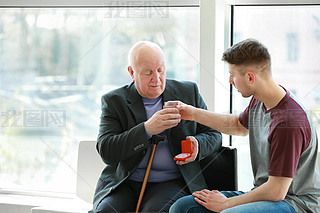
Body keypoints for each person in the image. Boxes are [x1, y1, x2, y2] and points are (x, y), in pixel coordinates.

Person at [169, 38, 320, 213]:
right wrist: (192, 113)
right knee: (183, 207)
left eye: (233, 75)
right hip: (265, 194)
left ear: (250, 77)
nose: (230, 80)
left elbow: (276, 191)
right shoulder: (260, 100)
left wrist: (225, 203)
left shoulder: (289, 122)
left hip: (295, 203)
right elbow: (237, 126)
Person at [92, 41, 222, 213]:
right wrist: (146, 129)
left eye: (160, 70)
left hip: (172, 181)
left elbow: (214, 134)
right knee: (106, 211)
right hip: (126, 181)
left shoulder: (188, 92)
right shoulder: (114, 101)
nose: (157, 79)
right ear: (131, 72)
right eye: (148, 73)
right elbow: (107, 150)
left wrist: (197, 145)